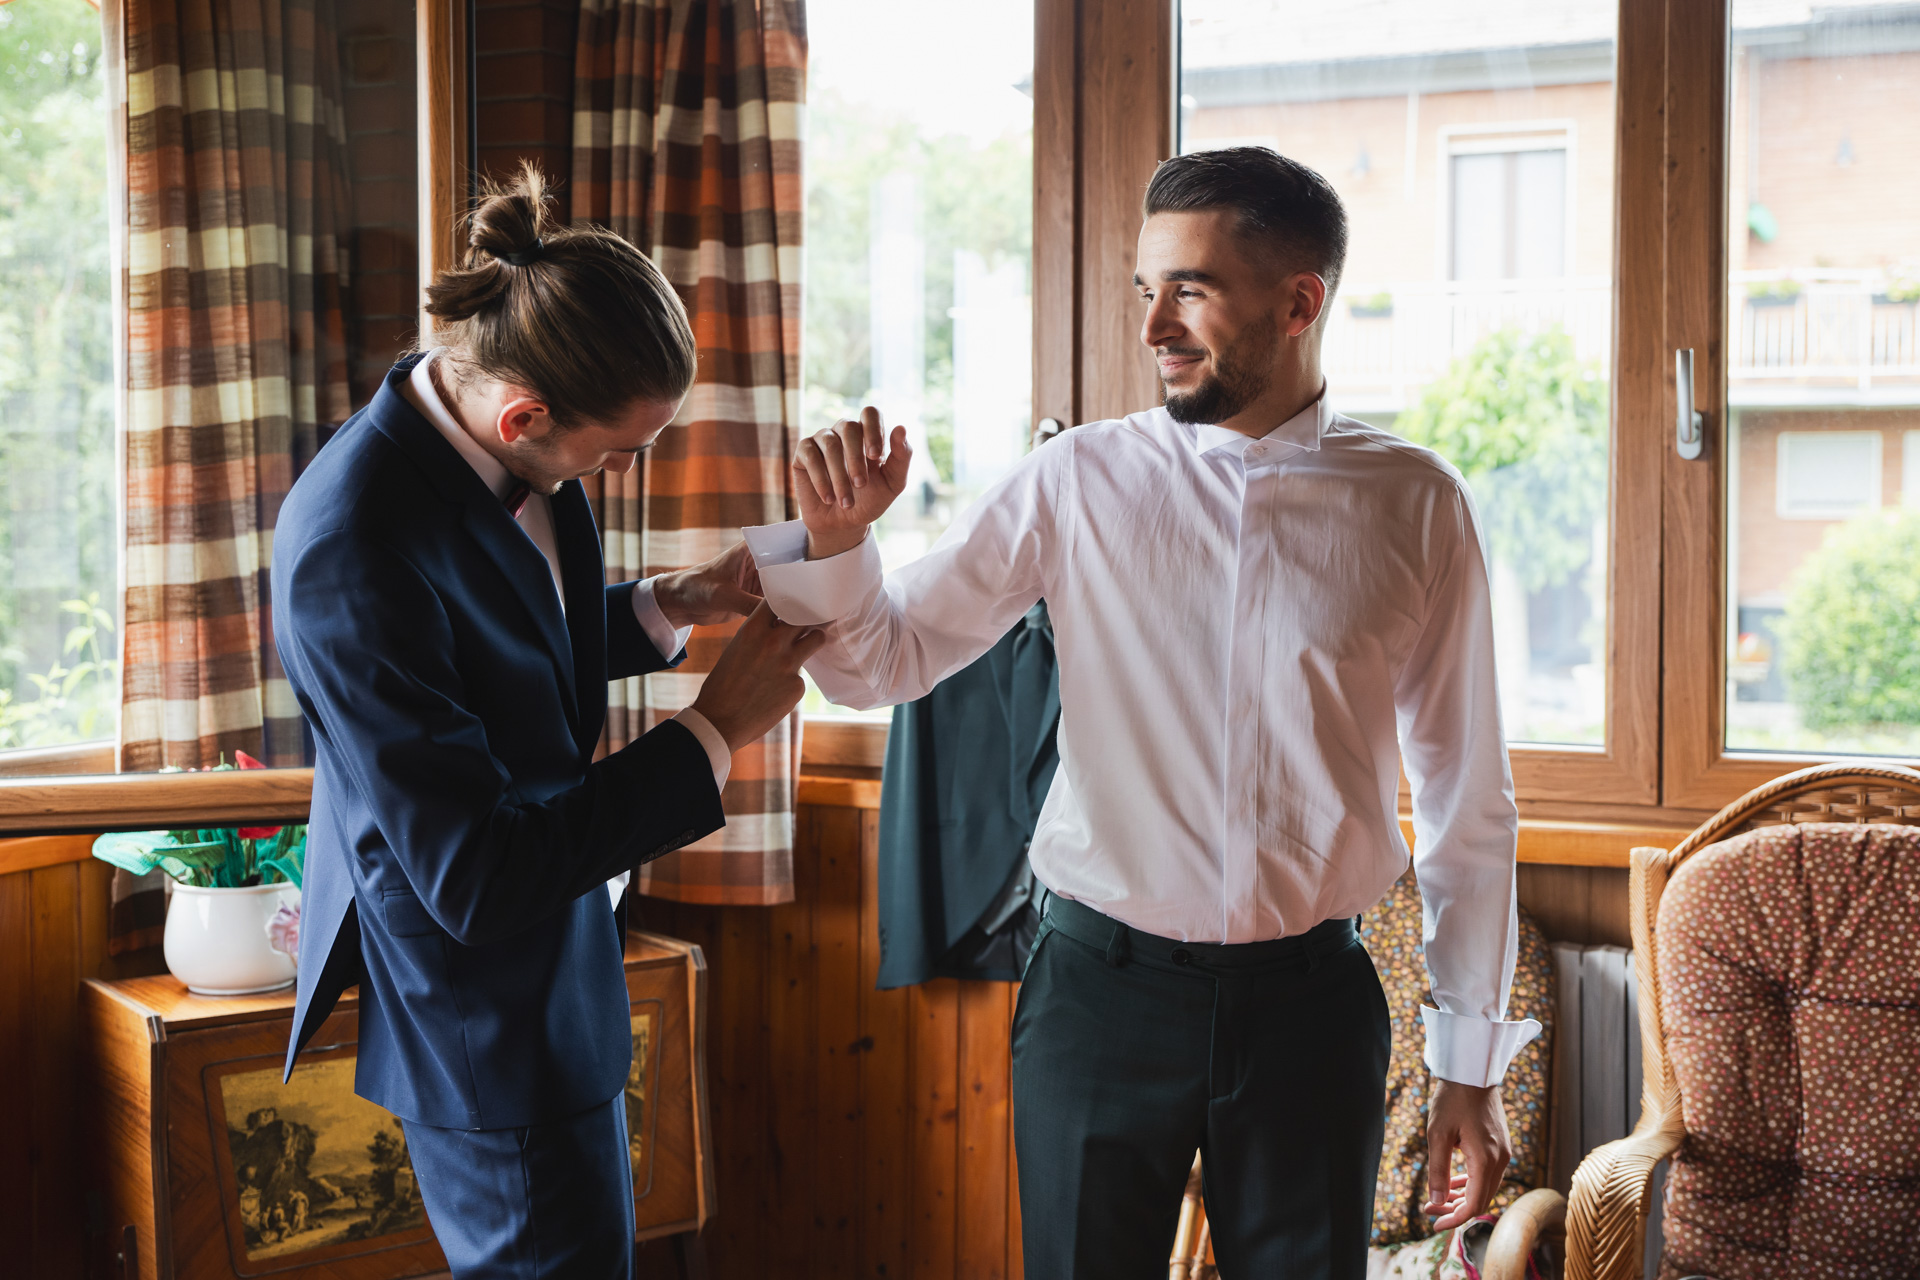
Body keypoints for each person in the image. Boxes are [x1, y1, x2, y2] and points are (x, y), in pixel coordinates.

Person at [744, 147, 1540, 1277]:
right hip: (1096, 998)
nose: (1153, 323)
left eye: (1192, 290)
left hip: (1313, 1006)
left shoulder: (1415, 503)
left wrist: (1471, 1064)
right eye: (1144, 288)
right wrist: (837, 546)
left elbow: (1470, 802)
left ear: (1301, 300)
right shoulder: (1074, 481)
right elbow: (885, 663)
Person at [272, 166, 817, 1279]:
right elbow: (474, 873)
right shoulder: (351, 546)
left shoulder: (513, 438)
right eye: (620, 451)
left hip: (562, 978)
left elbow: (500, 643)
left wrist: (668, 603)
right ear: (525, 415)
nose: (622, 471)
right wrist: (712, 730)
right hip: (485, 1013)